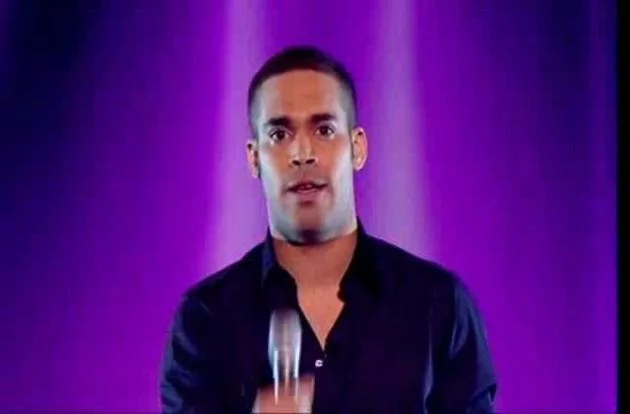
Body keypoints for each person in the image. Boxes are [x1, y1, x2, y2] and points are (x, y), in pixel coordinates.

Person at [160, 45, 497, 413]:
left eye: (324, 129)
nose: (302, 153)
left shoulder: (438, 303)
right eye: (279, 135)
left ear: (357, 147)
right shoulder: (206, 318)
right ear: (254, 158)